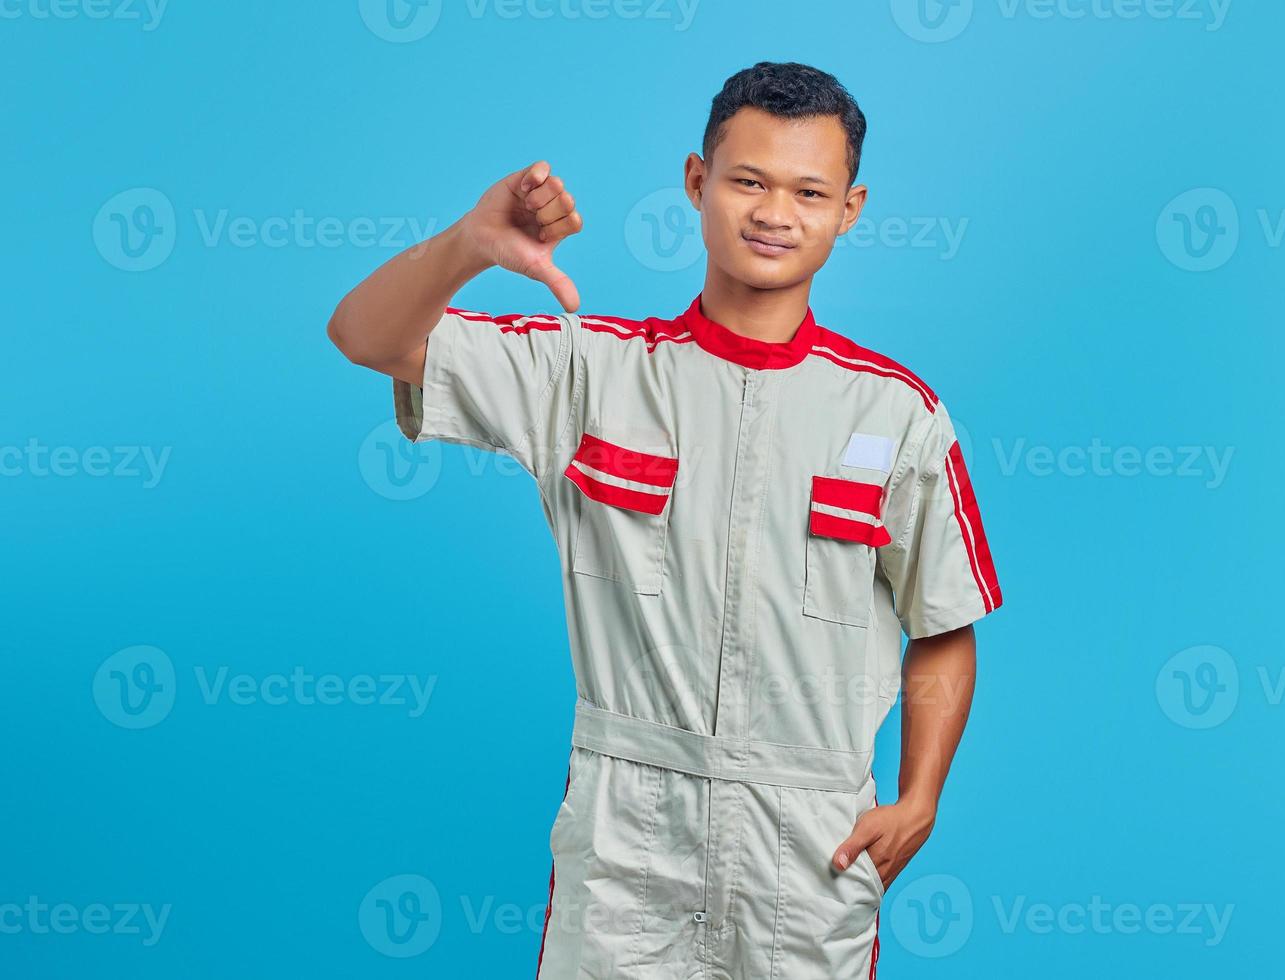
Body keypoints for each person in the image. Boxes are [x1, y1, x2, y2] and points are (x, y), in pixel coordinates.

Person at [327, 60, 1002, 980]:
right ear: (697, 182)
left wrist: (920, 796)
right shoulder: (587, 375)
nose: (775, 213)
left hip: (809, 846)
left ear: (850, 209)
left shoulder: (896, 415)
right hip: (628, 838)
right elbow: (365, 337)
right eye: (748, 181)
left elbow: (944, 626)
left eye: (810, 191)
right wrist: (469, 246)